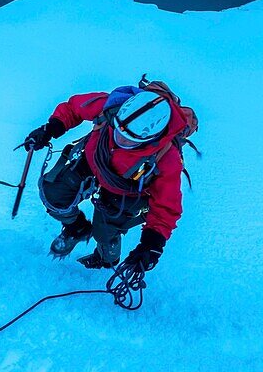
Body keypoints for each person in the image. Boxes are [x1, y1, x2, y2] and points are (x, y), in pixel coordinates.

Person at [22, 81, 194, 271]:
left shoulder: (167, 157)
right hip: (92, 159)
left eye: (130, 140)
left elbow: (166, 207)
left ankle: (106, 259)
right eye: (117, 131)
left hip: (127, 189)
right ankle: (76, 228)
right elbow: (74, 108)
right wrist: (51, 129)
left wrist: (152, 245)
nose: (120, 140)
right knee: (54, 193)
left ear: (150, 139)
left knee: (104, 231)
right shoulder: (111, 106)